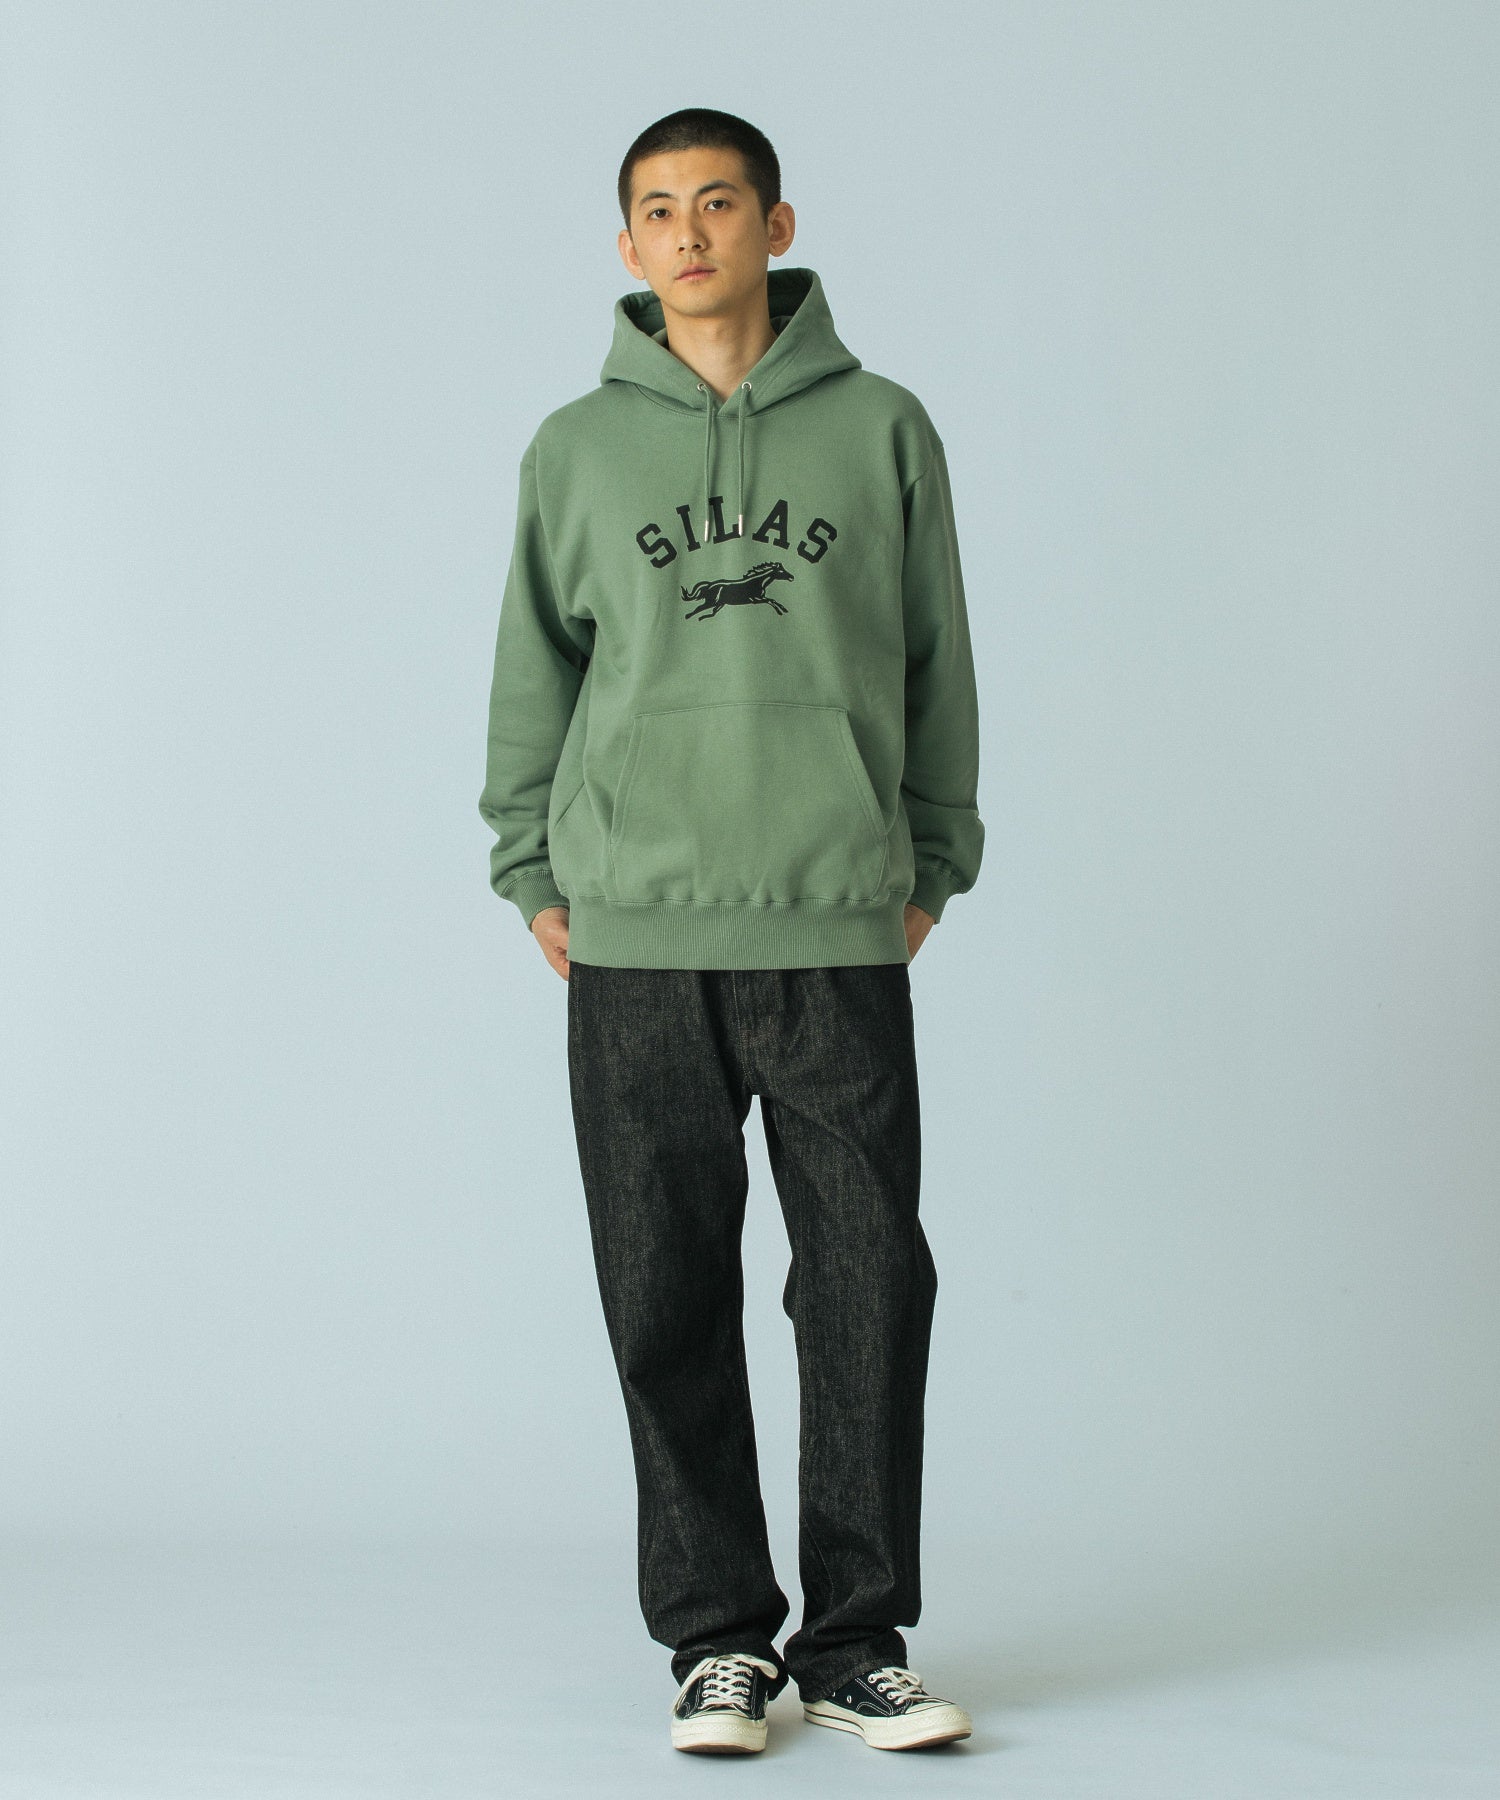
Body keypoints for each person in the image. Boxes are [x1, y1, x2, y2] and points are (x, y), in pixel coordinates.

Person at [478, 107, 984, 1756]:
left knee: (867, 1287)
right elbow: (534, 671)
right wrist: (532, 867)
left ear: (777, 224)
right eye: (657, 210)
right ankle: (717, 1643)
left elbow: (935, 656)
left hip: (833, 921)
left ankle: (856, 1641)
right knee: (663, 1294)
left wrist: (930, 859)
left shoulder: (884, 428)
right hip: (636, 940)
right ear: (628, 246)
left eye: (717, 203)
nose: (689, 233)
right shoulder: (575, 448)